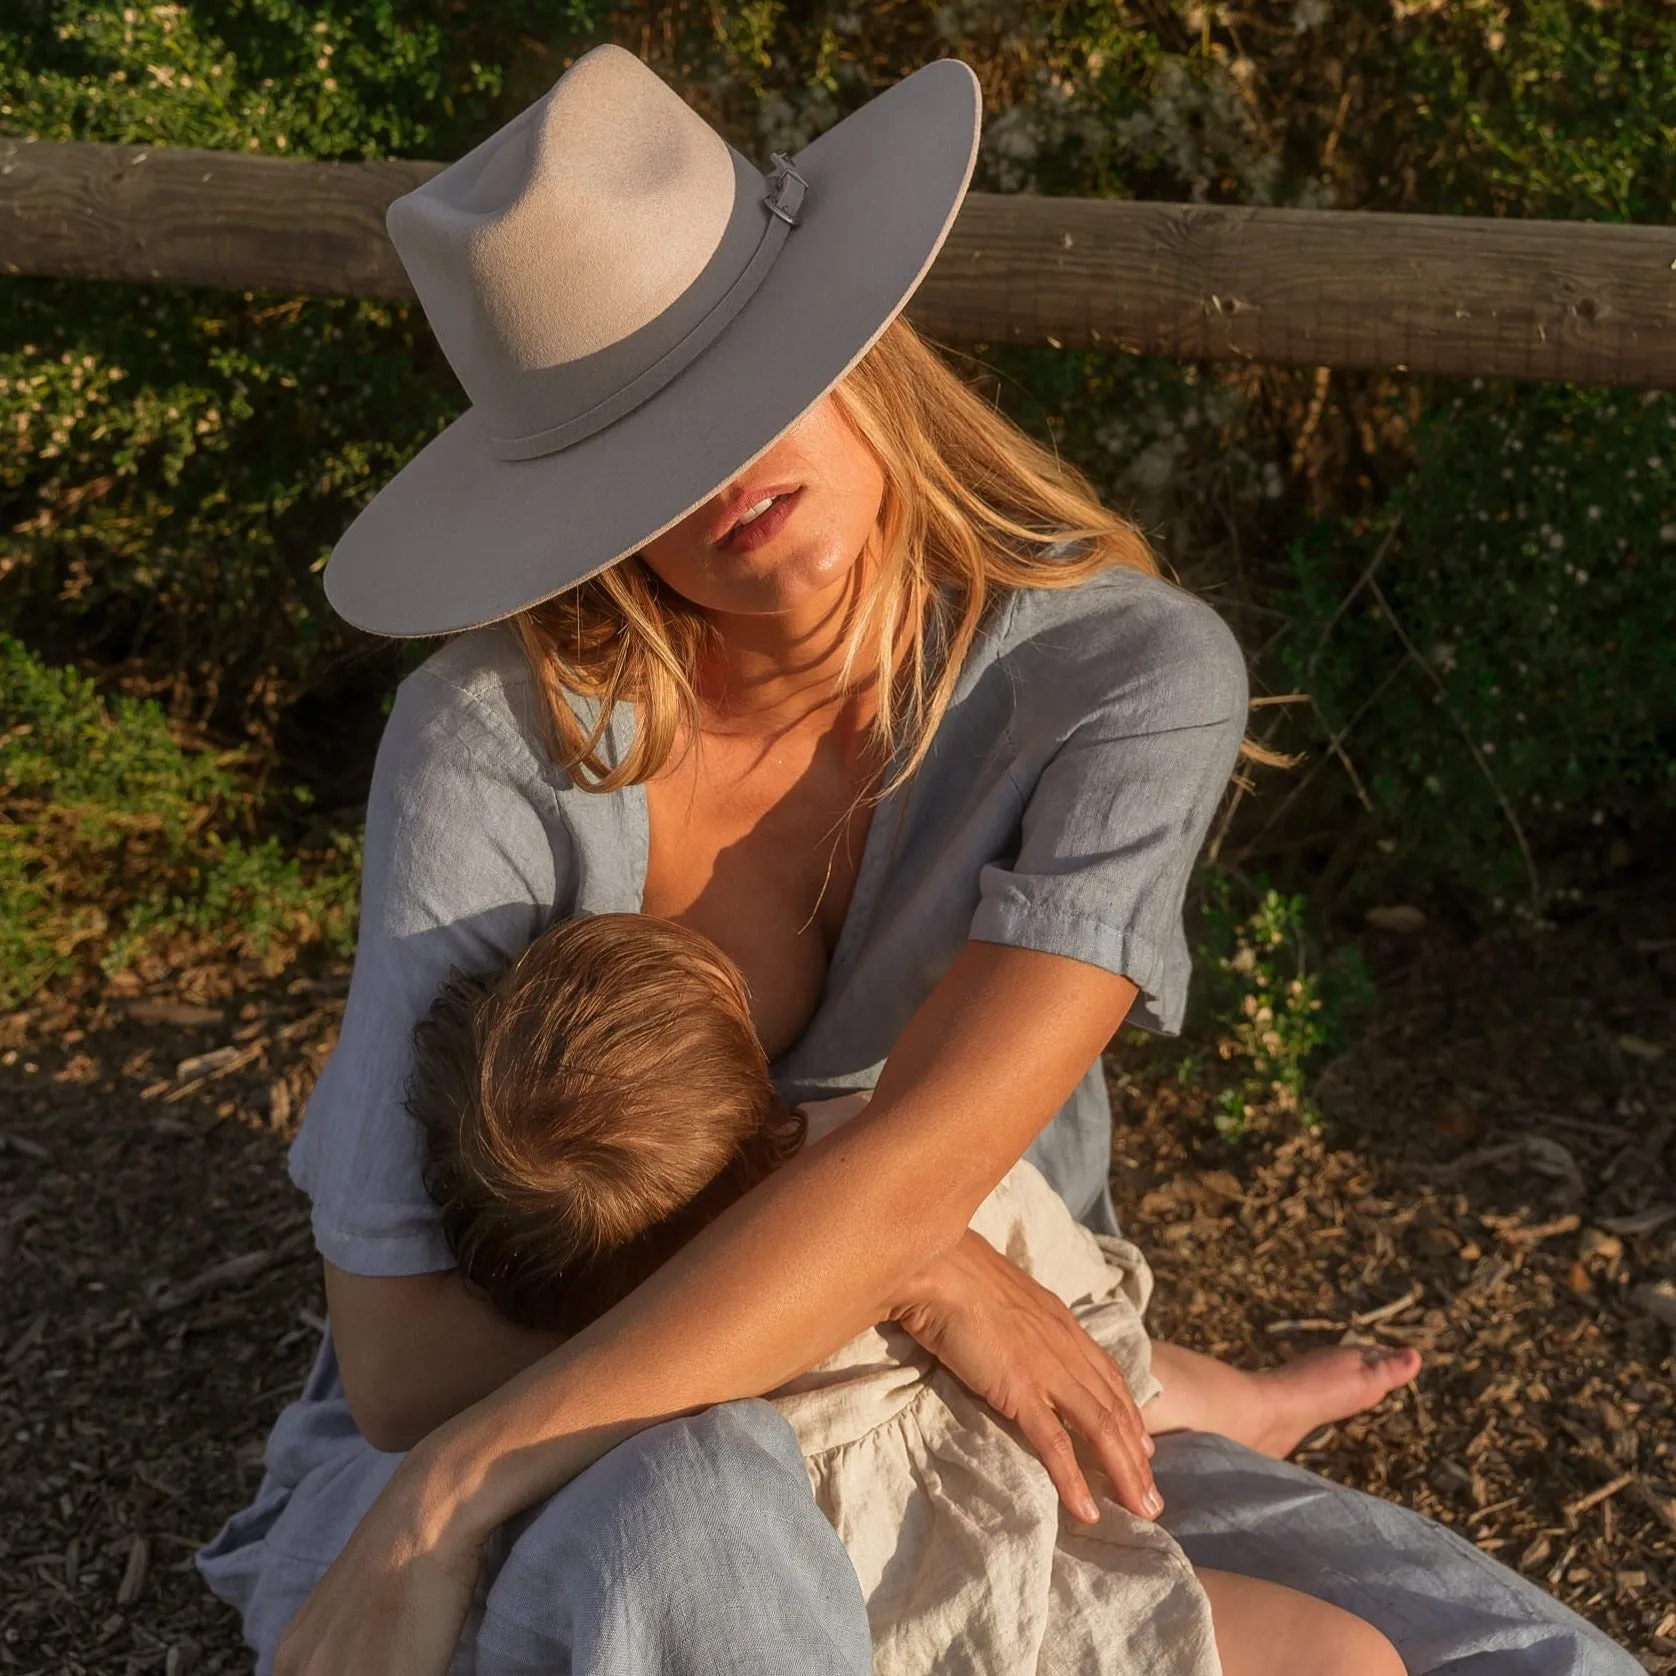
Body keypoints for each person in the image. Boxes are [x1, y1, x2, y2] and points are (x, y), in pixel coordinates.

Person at [195, 41, 1640, 1676]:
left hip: (973, 1405)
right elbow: (400, 1366)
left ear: (855, 333)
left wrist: (458, 1494)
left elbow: (927, 1168)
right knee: (704, 1533)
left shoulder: (1121, 682)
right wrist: (911, 1264)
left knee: (1507, 1659)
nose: (722, 469)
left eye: (745, 378)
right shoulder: (496, 738)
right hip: (583, 1429)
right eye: (638, 451)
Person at [404, 907, 1412, 1676]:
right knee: (1346, 1654)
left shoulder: (569, 1387)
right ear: (765, 1107)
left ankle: (1257, 1404)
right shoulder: (888, 1181)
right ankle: (1260, 1404)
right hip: (1031, 1605)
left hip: (829, 1641)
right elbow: (1076, 1340)